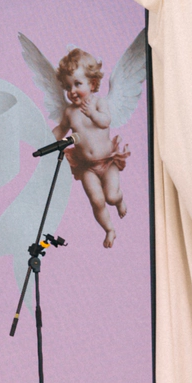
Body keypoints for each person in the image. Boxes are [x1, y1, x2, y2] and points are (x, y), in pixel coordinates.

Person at [54, 48, 129, 249]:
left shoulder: (98, 103)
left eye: (77, 84)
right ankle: (109, 229)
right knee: (96, 201)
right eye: (68, 86)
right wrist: (45, 140)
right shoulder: (69, 112)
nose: (72, 91)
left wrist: (92, 114)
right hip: (87, 167)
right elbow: (61, 130)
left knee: (110, 196)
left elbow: (105, 122)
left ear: (92, 84)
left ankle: (119, 200)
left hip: (108, 161)